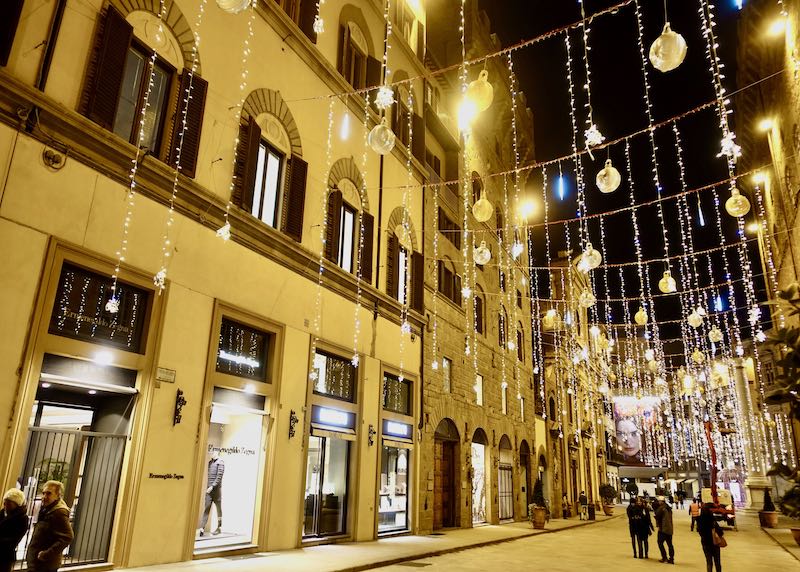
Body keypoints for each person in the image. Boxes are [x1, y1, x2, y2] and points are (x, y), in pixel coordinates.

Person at [26, 481, 73, 572]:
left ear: (58, 495)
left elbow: (67, 537)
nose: (44, 497)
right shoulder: (47, 509)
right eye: (43, 493)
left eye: (49, 493)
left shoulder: (59, 513)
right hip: (37, 564)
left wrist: (46, 554)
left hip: (45, 565)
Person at [0, 488, 29, 572]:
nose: (5, 505)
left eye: (9, 503)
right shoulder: (2, 513)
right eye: (5, 502)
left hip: (4, 556)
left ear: (17, 504)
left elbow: (14, 539)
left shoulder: (22, 518)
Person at [198, 449, 225, 536]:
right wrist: (209, 487)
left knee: (218, 509)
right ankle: (202, 528)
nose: (211, 454)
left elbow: (219, 476)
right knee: (206, 508)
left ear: (217, 453)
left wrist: (212, 486)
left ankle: (219, 527)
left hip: (216, 491)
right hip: (209, 491)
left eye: (213, 453)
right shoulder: (210, 463)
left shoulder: (221, 462)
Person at [697, 502, 724, 572]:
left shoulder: (700, 520)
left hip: (705, 543)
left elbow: (699, 531)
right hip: (714, 543)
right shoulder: (712, 520)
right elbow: (720, 532)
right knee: (717, 562)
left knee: (709, 562)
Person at [655, 498, 675, 564]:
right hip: (670, 529)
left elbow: (657, 516)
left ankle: (664, 558)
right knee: (670, 544)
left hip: (663, 529)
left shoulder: (661, 508)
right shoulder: (668, 508)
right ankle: (671, 559)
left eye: (659, 501)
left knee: (660, 543)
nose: (658, 502)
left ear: (661, 502)